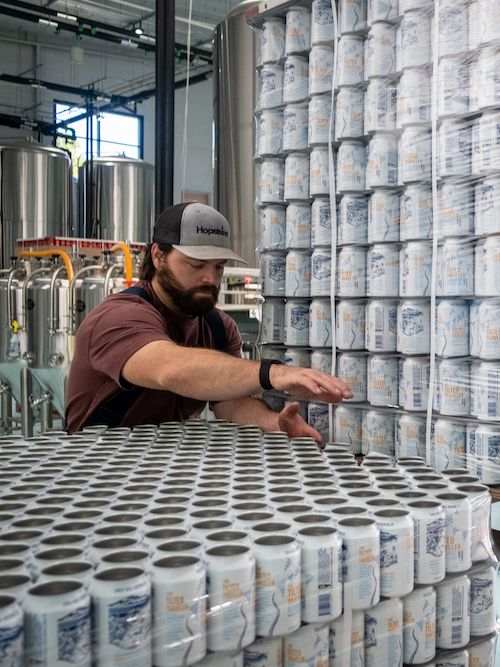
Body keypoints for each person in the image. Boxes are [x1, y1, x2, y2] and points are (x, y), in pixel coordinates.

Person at [65, 202, 352, 441]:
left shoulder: (218, 328)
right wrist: (274, 374)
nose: (211, 279)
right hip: (100, 470)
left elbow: (229, 402)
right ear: (158, 256)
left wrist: (277, 423)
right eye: (196, 265)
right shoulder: (118, 316)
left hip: (162, 470)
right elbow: (171, 369)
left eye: (218, 267)